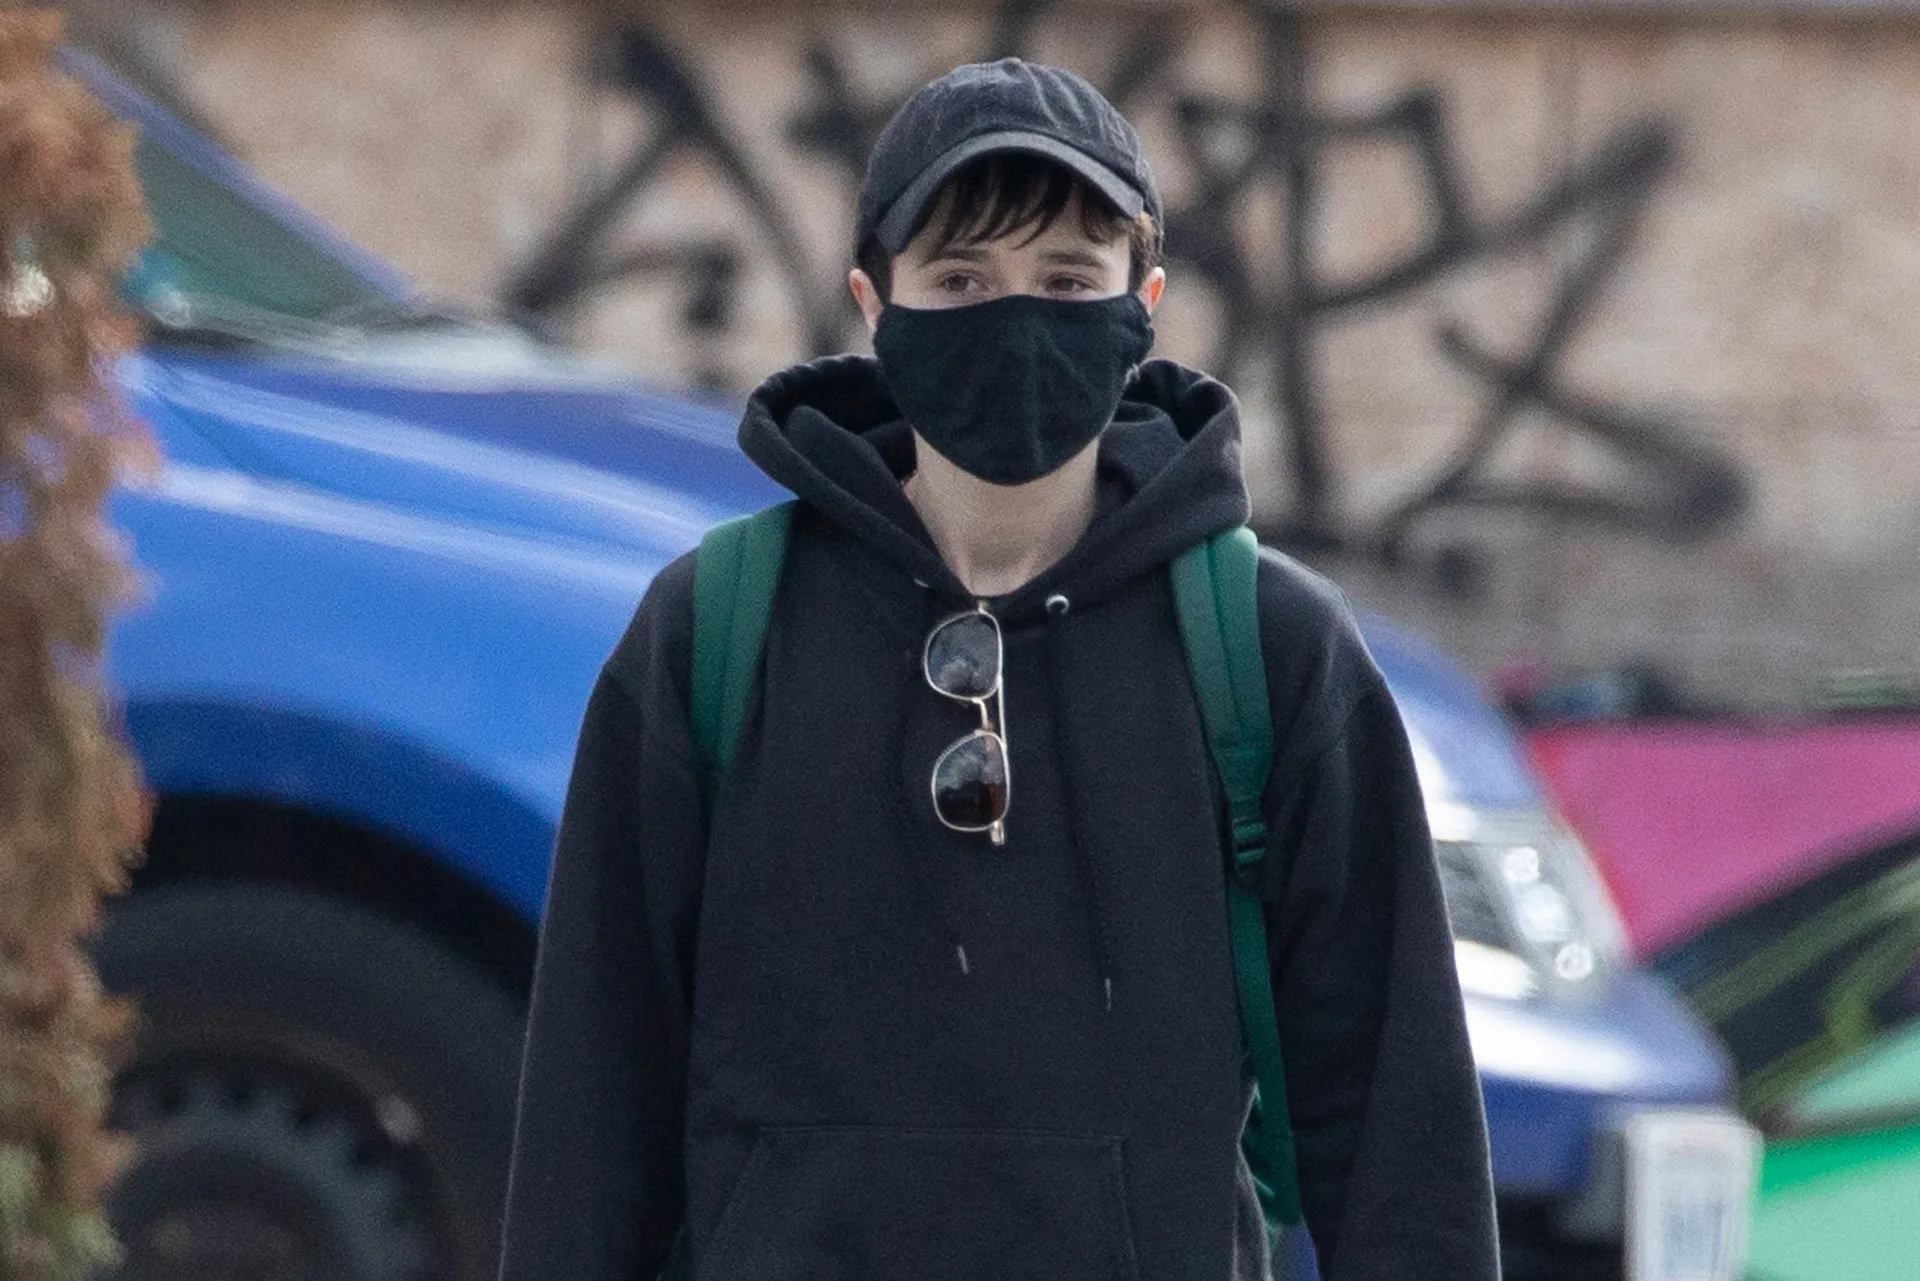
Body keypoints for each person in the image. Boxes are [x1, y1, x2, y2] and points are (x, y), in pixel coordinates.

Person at [496, 57, 1499, 1281]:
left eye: (1068, 280)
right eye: (961, 279)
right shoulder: (712, 628)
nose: (1015, 320)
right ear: (874, 302)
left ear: (1144, 304)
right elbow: (595, 1100)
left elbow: (1397, 1127)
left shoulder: (1268, 647)